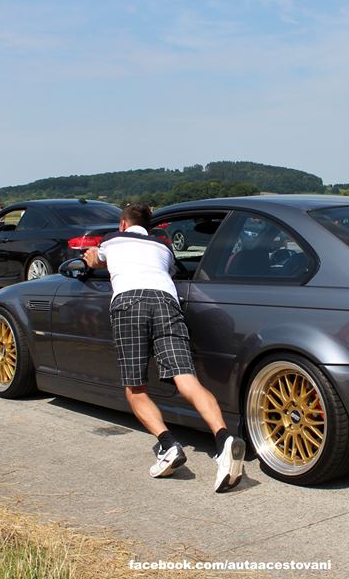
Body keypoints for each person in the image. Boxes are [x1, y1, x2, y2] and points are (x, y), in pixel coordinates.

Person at [83, 203, 245, 492]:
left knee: (135, 387)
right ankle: (223, 439)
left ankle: (168, 444)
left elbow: (95, 260)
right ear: (149, 226)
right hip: (166, 302)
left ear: (123, 224)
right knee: (187, 379)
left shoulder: (112, 240)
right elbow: (169, 270)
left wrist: (92, 257)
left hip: (129, 303)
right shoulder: (163, 248)